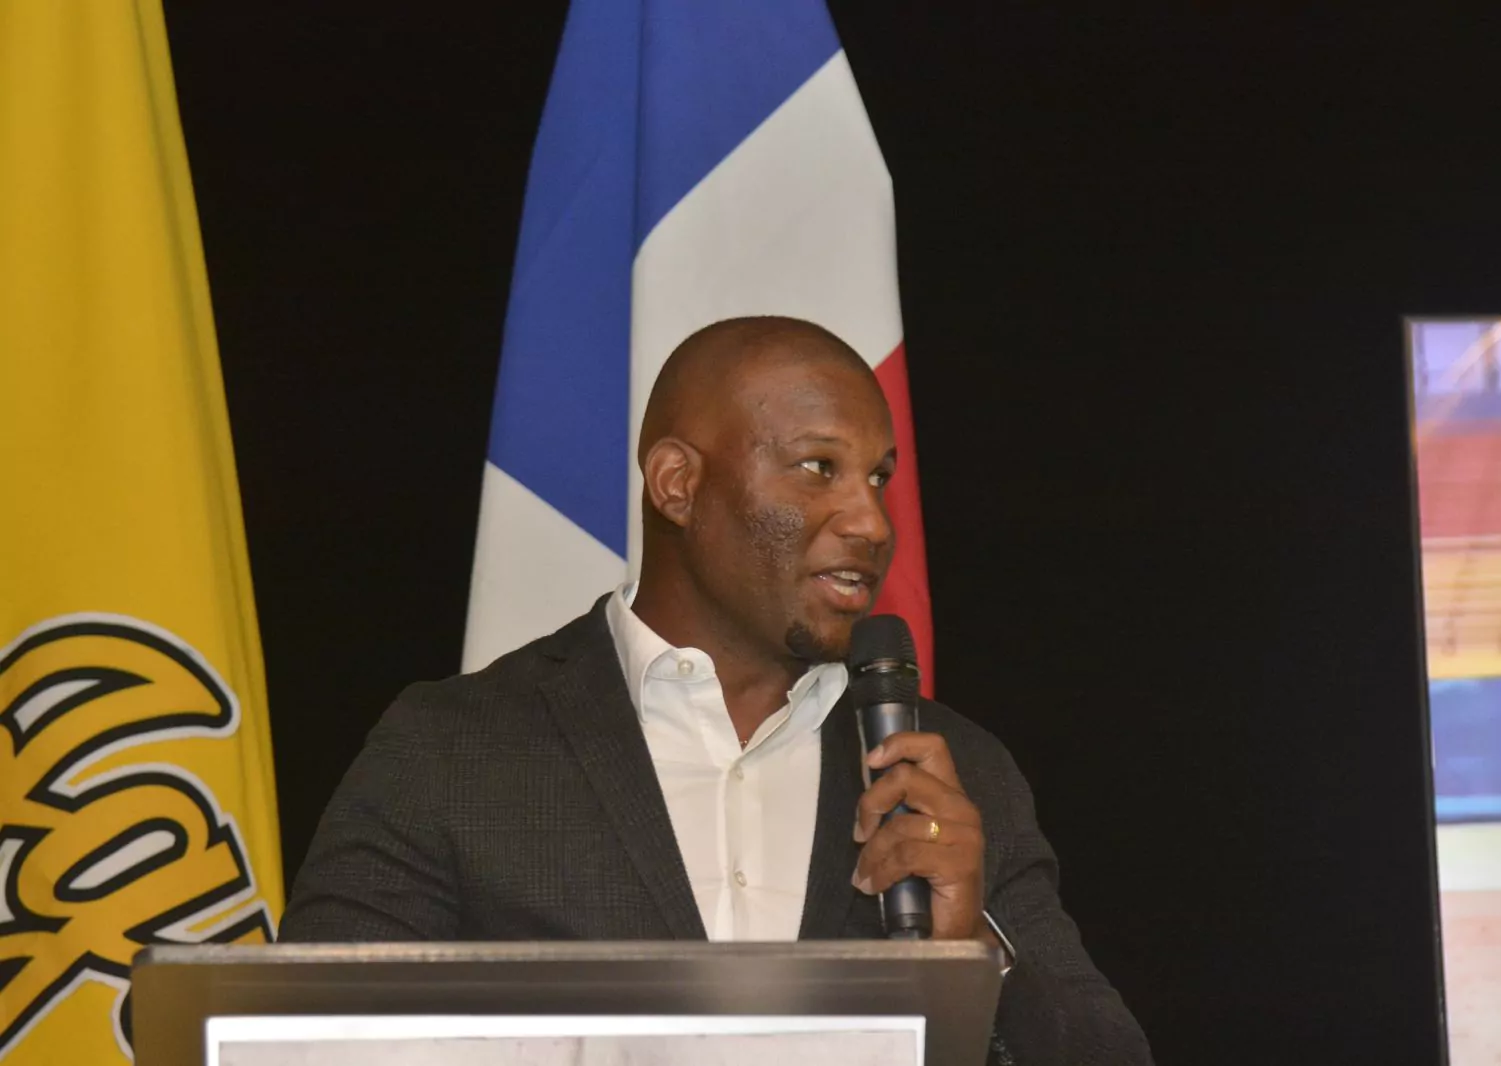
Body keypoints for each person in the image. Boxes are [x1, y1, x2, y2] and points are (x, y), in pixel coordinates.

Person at [279, 316, 1153, 1065]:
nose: (871, 522)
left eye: (878, 477)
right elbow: (306, 1045)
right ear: (678, 483)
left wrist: (979, 956)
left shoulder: (951, 773)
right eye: (819, 468)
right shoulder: (451, 750)